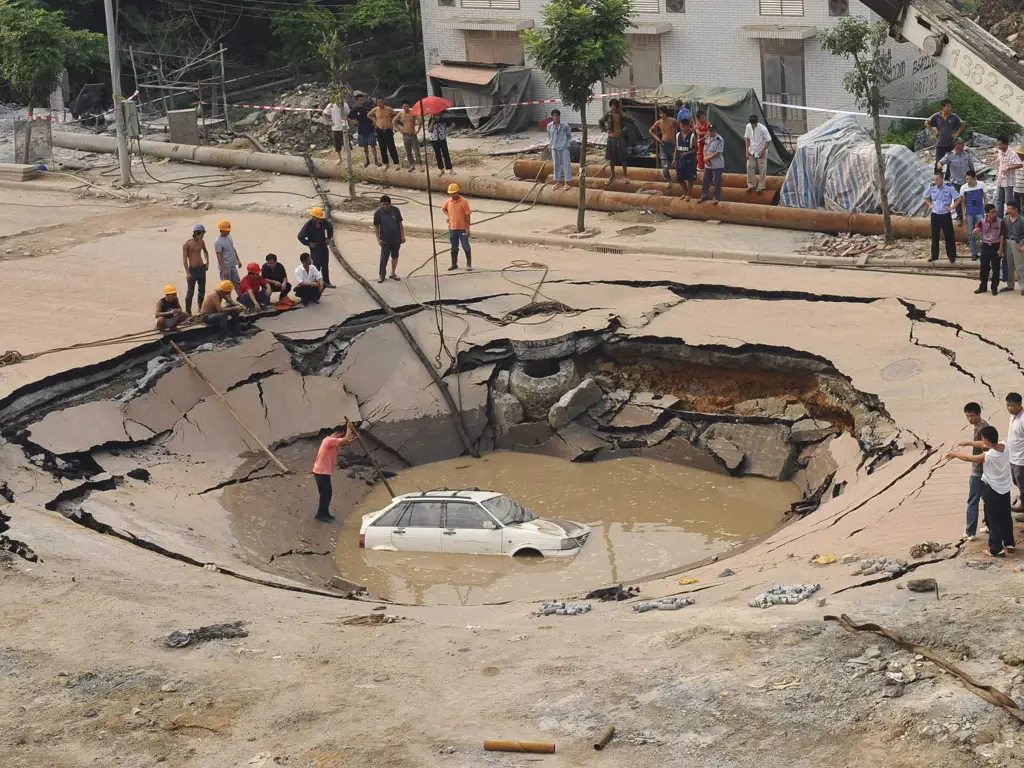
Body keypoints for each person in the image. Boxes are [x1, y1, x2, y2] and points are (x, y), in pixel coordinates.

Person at [948, 424, 1015, 557]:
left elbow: (968, 458)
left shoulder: (989, 456)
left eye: (984, 439)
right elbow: (984, 444)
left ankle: (996, 548)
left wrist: (955, 454)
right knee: (1006, 516)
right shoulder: (1004, 446)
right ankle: (1009, 543)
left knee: (994, 519)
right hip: (1005, 488)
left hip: (993, 490)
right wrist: (969, 443)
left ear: (986, 440)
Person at [312, 418, 359, 522]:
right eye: (341, 435)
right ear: (339, 433)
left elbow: (344, 443)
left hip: (323, 471)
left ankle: (324, 512)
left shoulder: (331, 441)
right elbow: (345, 439)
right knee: (326, 494)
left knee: (327, 493)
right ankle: (320, 514)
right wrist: (349, 428)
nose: (341, 437)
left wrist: (353, 440)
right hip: (321, 472)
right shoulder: (329, 440)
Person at [956, 403, 990, 540]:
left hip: (979, 470)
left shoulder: (983, 428)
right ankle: (989, 524)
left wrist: (969, 443)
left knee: (973, 501)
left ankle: (970, 531)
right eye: (967, 416)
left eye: (971, 416)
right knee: (986, 499)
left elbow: (985, 445)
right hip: (985, 469)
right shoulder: (981, 426)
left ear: (978, 414)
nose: (969, 419)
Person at [923, 171, 959, 264]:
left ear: (942, 178)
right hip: (935, 214)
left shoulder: (949, 188)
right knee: (935, 236)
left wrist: (952, 207)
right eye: (934, 179)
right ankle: (934, 255)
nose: (935, 181)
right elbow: (925, 197)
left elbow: (958, 198)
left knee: (949, 236)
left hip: (945, 214)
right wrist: (930, 205)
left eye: (937, 179)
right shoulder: (931, 187)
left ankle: (951, 256)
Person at [297, 207, 335, 289]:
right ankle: (315, 282)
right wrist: (309, 243)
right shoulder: (308, 225)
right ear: (314, 218)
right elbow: (300, 236)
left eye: (321, 219)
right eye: (318, 219)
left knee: (325, 265)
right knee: (316, 265)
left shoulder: (323, 222)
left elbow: (330, 228)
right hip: (315, 247)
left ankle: (327, 281)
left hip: (323, 245)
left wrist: (329, 238)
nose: (320, 220)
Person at [973, 204, 1004, 295]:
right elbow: (975, 232)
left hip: (995, 246)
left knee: (996, 268)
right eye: (992, 212)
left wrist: (1001, 249)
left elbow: (1002, 236)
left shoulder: (1000, 222)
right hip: (986, 246)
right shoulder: (982, 222)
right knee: (984, 268)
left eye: (995, 212)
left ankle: (994, 287)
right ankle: (983, 287)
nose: (994, 214)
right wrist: (974, 232)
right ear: (987, 213)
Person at [373, 194, 405, 283]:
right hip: (385, 239)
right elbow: (376, 227)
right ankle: (381, 275)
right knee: (384, 258)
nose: (385, 206)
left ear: (390, 204)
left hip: (396, 238)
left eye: (386, 204)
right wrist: (378, 239)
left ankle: (393, 273)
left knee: (395, 256)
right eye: (383, 204)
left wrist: (402, 236)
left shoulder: (396, 211)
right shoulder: (378, 213)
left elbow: (400, 224)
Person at [442, 182, 472, 271]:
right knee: (454, 248)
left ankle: (469, 264)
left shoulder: (464, 202)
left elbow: (468, 215)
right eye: (450, 193)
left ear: (457, 192)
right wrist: (449, 216)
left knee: (466, 247)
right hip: (452, 229)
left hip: (462, 229)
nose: (451, 195)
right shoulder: (448, 201)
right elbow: (444, 209)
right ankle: (454, 264)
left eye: (453, 193)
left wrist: (467, 228)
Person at [927, 99, 965, 168]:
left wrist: (956, 134)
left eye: (950, 107)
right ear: (943, 107)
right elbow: (926, 123)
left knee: (953, 162)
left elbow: (962, 125)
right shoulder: (936, 116)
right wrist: (933, 131)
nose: (949, 108)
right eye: (948, 107)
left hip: (951, 143)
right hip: (940, 144)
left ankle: (951, 176)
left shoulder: (953, 116)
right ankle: (938, 177)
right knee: (938, 163)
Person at [599, 99, 629, 185]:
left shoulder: (621, 114)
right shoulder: (608, 115)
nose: (613, 107)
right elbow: (600, 122)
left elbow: (629, 122)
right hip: (611, 138)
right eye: (612, 106)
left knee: (623, 157)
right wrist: (605, 130)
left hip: (620, 138)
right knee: (611, 158)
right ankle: (612, 175)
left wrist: (624, 130)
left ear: (617, 106)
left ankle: (625, 175)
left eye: (615, 106)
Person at [182, 224, 209, 315]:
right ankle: (188, 311)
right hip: (192, 269)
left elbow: (205, 251)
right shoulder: (187, 244)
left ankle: (200, 307)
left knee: (202, 290)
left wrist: (207, 262)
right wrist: (187, 272)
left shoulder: (201, 242)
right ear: (197, 233)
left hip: (201, 268)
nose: (203, 235)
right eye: (202, 233)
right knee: (190, 292)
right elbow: (185, 259)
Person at [347, 92, 379, 168]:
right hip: (361, 130)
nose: (362, 101)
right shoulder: (355, 109)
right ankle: (367, 160)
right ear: (357, 101)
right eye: (360, 100)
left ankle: (376, 160)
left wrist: (375, 121)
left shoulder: (368, 106)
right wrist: (354, 121)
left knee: (373, 145)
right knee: (365, 146)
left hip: (370, 129)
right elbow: (347, 117)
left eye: (363, 99)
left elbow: (377, 112)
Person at [1004, 392, 1024, 512]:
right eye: (1008, 405)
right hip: (1012, 458)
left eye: (1012, 405)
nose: (1010, 408)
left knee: (1023, 486)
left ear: (1020, 404)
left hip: (1021, 460)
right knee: (1017, 482)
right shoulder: (1013, 416)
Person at [961, 170, 986, 260]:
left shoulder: (981, 185)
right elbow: (963, 202)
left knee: (983, 232)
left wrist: (986, 211)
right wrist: (964, 214)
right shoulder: (964, 188)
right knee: (971, 233)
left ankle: (984, 252)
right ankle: (973, 253)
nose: (968, 181)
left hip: (980, 212)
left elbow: (985, 198)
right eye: (966, 179)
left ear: (975, 178)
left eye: (970, 179)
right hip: (970, 213)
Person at [368, 96, 400, 168]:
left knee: (391, 147)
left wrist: (392, 121)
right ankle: (386, 163)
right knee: (382, 148)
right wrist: (375, 121)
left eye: (381, 102)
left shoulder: (388, 109)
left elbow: (396, 114)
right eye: (378, 102)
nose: (380, 104)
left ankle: (396, 163)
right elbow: (369, 115)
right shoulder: (375, 109)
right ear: (376, 103)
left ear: (384, 102)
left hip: (388, 130)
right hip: (380, 131)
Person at [649, 106, 678, 184]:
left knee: (673, 162)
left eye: (663, 113)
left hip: (672, 144)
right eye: (660, 113)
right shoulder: (659, 122)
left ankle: (679, 179)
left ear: (666, 113)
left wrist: (677, 140)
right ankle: (668, 180)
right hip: (663, 144)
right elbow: (651, 131)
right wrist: (657, 139)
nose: (662, 115)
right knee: (664, 163)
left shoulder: (673, 120)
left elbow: (680, 128)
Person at [994, 135, 1021, 218]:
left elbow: (1019, 164)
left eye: (1000, 144)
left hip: (1008, 181)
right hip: (1000, 179)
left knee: (1008, 201)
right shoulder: (1000, 152)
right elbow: (1000, 163)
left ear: (1005, 144)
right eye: (997, 144)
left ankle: (1009, 219)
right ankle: (999, 219)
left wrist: (1008, 168)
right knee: (998, 200)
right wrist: (998, 172)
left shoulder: (1012, 153)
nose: (998, 146)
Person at [744, 114, 771, 193]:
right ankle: (751, 185)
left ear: (757, 122)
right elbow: (747, 139)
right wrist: (746, 152)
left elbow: (768, 140)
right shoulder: (748, 127)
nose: (753, 125)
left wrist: (763, 151)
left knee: (762, 169)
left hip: (761, 151)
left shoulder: (763, 129)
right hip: (751, 150)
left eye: (754, 124)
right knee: (749, 167)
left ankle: (761, 186)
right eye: (752, 124)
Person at [699, 124, 725, 204]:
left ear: (715, 130)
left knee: (717, 182)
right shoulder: (707, 138)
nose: (710, 132)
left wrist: (707, 159)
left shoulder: (719, 139)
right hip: (708, 164)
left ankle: (716, 197)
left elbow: (718, 153)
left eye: (711, 130)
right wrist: (705, 158)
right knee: (705, 180)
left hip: (717, 164)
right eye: (709, 130)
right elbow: (704, 149)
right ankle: (704, 195)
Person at [392, 101, 422, 172]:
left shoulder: (413, 113)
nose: (405, 108)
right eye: (404, 106)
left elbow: (420, 121)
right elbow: (393, 121)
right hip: (405, 134)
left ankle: (420, 165)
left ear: (409, 106)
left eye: (407, 106)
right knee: (408, 152)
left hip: (412, 134)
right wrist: (400, 129)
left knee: (417, 151)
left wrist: (417, 130)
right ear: (402, 107)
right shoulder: (401, 113)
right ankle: (412, 164)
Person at [547, 109, 573, 191]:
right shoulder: (549, 126)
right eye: (553, 115)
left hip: (564, 147)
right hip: (554, 148)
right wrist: (551, 144)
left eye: (557, 115)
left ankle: (567, 182)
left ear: (559, 116)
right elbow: (549, 136)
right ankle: (558, 181)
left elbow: (569, 135)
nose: (555, 117)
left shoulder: (564, 125)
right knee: (556, 165)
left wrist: (564, 141)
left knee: (566, 164)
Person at [1002, 199, 1024, 293]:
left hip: (1017, 242)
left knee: (1019, 266)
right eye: (1008, 208)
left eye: (1011, 209)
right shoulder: (1005, 219)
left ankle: (1023, 286)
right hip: (1007, 242)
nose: (1009, 210)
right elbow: (1003, 232)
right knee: (1009, 265)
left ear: (1016, 209)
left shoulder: (1021, 220)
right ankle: (1010, 285)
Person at [214, 220, 242, 291]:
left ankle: (241, 298)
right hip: (226, 266)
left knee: (237, 282)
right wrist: (224, 269)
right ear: (222, 230)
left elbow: (233, 249)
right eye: (227, 230)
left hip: (232, 264)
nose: (229, 231)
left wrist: (238, 260)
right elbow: (219, 256)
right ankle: (228, 300)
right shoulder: (218, 242)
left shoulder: (229, 237)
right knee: (227, 286)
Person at [673, 120, 697, 198]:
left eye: (683, 127)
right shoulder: (678, 135)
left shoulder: (692, 136)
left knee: (690, 177)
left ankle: (689, 194)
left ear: (687, 126)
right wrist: (674, 159)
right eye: (680, 126)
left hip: (689, 159)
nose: (681, 128)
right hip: (680, 159)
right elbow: (676, 147)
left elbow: (696, 149)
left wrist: (687, 153)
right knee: (679, 178)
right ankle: (686, 192)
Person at [322, 96, 348, 165]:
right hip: (335, 128)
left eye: (340, 98)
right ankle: (340, 159)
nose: (339, 100)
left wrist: (347, 119)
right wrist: (329, 122)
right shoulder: (331, 105)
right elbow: (324, 113)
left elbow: (349, 114)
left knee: (347, 144)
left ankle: (348, 158)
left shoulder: (345, 105)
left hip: (344, 127)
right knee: (337, 144)